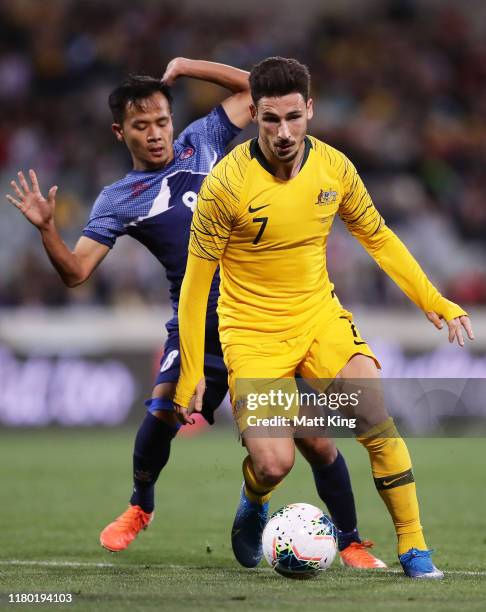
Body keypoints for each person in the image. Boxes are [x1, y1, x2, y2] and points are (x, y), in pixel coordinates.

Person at [5, 57, 384, 569]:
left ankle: (351, 540)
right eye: (143, 126)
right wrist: (48, 229)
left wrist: (188, 66)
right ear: (121, 132)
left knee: (315, 439)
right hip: (199, 328)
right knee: (163, 408)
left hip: (265, 320)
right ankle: (141, 506)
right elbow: (76, 273)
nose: (157, 134)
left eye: (162, 121)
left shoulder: (202, 140)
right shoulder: (119, 198)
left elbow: (259, 93)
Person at [173, 56, 474, 579]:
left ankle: (414, 547)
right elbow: (195, 286)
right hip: (253, 332)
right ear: (256, 116)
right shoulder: (226, 185)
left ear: (310, 109)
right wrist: (192, 370)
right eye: (270, 120)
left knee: (375, 418)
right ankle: (253, 496)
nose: (283, 132)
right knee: (275, 463)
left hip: (318, 318)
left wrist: (434, 300)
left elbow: (377, 236)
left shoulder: (335, 168)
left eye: (293, 117)